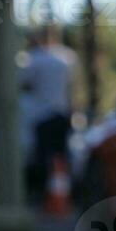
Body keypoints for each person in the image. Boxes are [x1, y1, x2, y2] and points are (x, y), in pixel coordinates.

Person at [22, 26, 78, 185]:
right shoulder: (66, 58)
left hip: (42, 115)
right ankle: (62, 192)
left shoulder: (34, 59)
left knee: (43, 157)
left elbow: (22, 83)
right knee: (61, 157)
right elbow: (71, 88)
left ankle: (45, 193)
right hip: (62, 114)